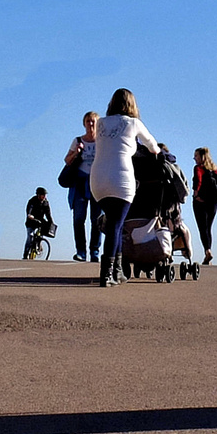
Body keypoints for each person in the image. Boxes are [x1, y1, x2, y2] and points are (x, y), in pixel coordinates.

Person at [90, 88, 160, 287]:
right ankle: (107, 274)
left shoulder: (101, 123)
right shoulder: (133, 123)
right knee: (115, 225)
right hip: (121, 178)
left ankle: (118, 270)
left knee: (116, 225)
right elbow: (153, 146)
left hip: (98, 180)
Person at [65, 113, 102, 263]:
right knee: (79, 218)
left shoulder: (102, 141)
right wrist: (76, 152)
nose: (91, 124)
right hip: (80, 183)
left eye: (93, 122)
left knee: (97, 219)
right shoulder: (78, 140)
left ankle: (94, 251)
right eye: (88, 122)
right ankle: (80, 251)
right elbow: (67, 160)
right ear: (84, 124)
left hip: (97, 182)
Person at [191, 147, 217, 265]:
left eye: (196, 156)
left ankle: (207, 251)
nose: (194, 158)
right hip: (213, 203)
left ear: (202, 157)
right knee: (208, 228)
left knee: (202, 228)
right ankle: (208, 252)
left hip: (200, 202)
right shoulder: (215, 170)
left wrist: (196, 195)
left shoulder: (198, 168)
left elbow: (198, 181)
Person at [24, 188, 57, 259]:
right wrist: (29, 215)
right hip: (31, 221)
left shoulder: (46, 203)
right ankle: (25, 254)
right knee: (30, 236)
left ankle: (39, 244)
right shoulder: (32, 201)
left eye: (45, 195)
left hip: (40, 221)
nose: (44, 197)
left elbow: (48, 214)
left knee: (42, 232)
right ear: (38, 195)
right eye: (42, 195)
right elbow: (29, 209)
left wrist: (51, 223)